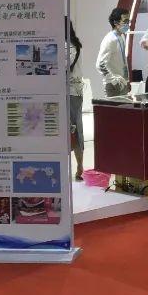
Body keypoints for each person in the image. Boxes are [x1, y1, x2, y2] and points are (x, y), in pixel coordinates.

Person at [96, 8, 131, 97]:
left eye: (128, 21)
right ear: (116, 22)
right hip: (113, 86)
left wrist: (126, 81)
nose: (128, 24)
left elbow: (122, 62)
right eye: (125, 21)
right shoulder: (110, 39)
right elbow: (100, 64)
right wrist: (114, 81)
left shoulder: (121, 37)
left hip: (122, 83)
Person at [67, 20, 85, 181]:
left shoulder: (69, 47)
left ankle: (79, 165)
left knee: (74, 129)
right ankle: (78, 165)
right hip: (72, 92)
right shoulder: (74, 45)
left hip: (71, 92)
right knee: (74, 128)